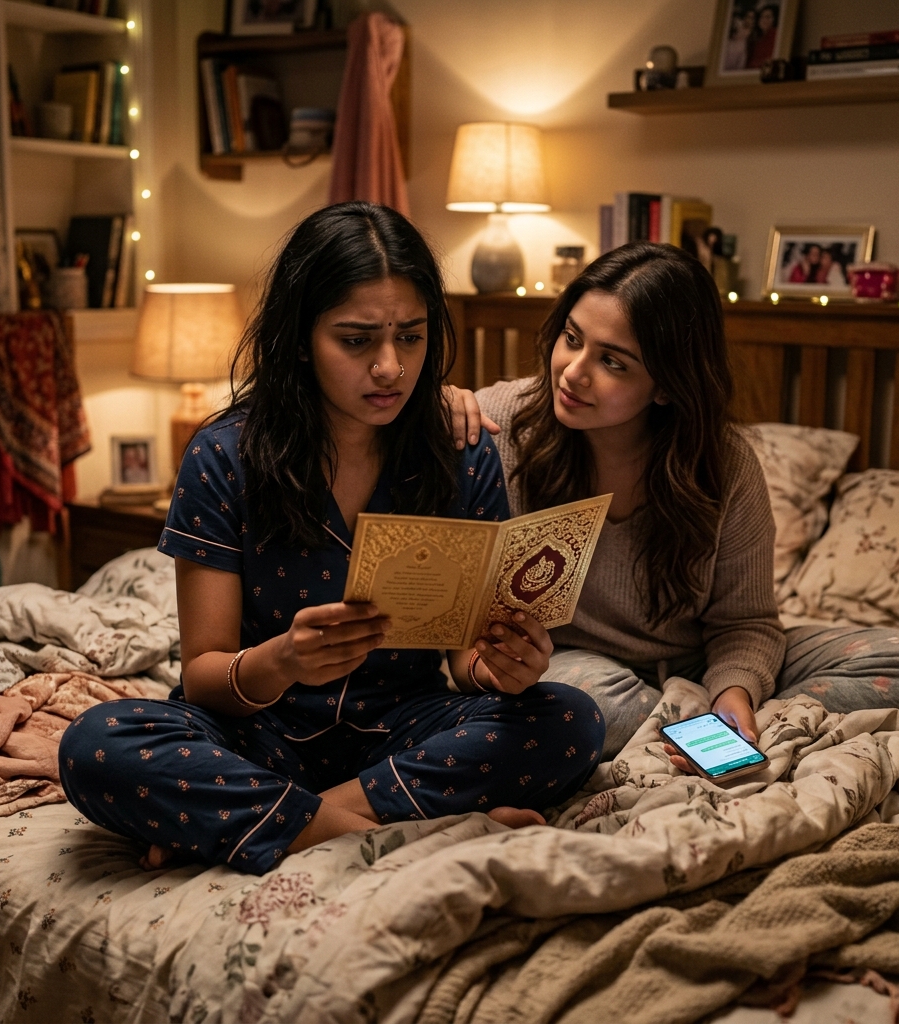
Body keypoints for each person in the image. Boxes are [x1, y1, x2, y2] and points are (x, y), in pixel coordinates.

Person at [58, 202, 604, 875]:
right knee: (96, 744)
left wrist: (494, 669)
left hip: (400, 728)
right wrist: (283, 660)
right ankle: (414, 834)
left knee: (572, 720)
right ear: (299, 337)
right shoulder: (224, 456)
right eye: (355, 340)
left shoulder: (460, 452)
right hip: (255, 733)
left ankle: (276, 820)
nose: (389, 367)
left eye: (411, 337)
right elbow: (203, 677)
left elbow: (465, 655)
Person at [467, 242, 899, 762]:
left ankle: (721, 733)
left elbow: (745, 622)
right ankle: (717, 739)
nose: (573, 372)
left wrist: (735, 693)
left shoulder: (723, 464)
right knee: (590, 704)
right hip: (571, 667)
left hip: (698, 663)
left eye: (612, 361)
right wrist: (442, 403)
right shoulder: (501, 423)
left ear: (666, 386)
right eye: (571, 339)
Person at [747, 4, 779, 69]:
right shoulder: (755, 37)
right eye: (762, 17)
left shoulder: (776, 35)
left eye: (767, 17)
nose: (764, 20)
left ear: (774, 19)